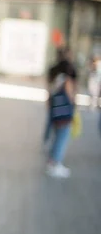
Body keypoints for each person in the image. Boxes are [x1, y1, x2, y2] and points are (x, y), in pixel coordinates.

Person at [45, 48, 77, 178]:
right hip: (64, 113)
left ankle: (51, 162)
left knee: (56, 137)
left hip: (55, 110)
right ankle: (55, 163)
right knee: (62, 139)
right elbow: (70, 96)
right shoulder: (66, 79)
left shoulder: (55, 77)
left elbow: (49, 92)